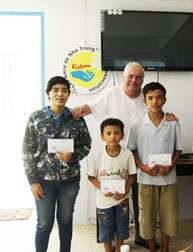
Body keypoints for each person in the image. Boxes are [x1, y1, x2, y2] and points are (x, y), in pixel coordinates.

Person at [71, 62, 176, 249]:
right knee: (112, 197)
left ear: (143, 80)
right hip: (114, 156)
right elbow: (93, 106)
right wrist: (79, 110)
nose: (134, 81)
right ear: (123, 77)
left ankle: (143, 236)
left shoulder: (147, 97)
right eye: (130, 76)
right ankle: (110, 238)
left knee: (140, 199)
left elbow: (157, 112)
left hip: (139, 157)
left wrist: (170, 116)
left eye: (138, 78)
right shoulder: (111, 94)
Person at [22, 76, 92, 252]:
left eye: (64, 90)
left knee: (66, 222)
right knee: (44, 224)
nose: (60, 94)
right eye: (55, 90)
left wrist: (73, 156)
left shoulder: (76, 118)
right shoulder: (36, 118)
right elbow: (27, 150)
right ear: (48, 94)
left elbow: (87, 144)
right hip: (43, 182)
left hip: (69, 181)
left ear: (68, 94)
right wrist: (32, 181)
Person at [126, 82, 183, 252]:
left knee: (169, 215)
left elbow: (178, 150)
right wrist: (143, 167)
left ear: (164, 100)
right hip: (146, 179)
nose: (154, 101)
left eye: (159, 97)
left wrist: (171, 166)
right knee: (146, 216)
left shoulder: (173, 123)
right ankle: (152, 248)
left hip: (168, 179)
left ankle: (164, 248)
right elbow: (131, 151)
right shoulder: (137, 125)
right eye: (150, 98)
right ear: (144, 101)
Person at [87, 118, 137, 252]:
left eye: (116, 133)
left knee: (121, 227)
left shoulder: (127, 154)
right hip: (104, 201)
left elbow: (132, 175)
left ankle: (119, 249)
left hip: (122, 199)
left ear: (122, 135)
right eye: (108, 133)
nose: (113, 137)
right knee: (106, 229)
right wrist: (103, 189)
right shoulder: (97, 155)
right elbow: (91, 177)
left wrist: (125, 190)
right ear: (102, 137)